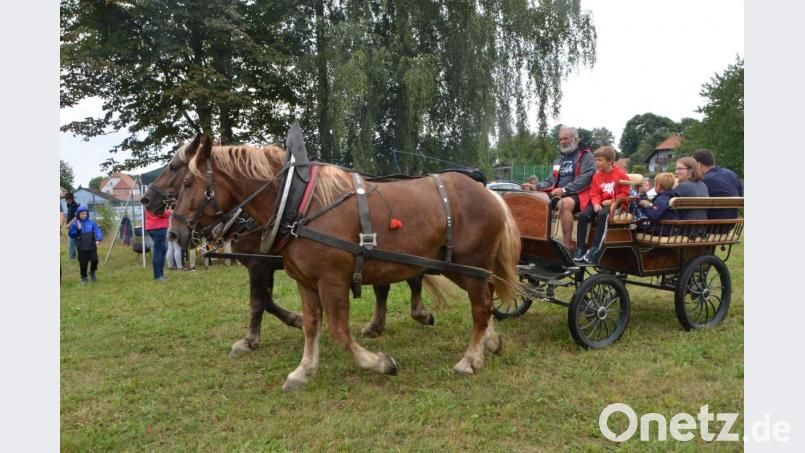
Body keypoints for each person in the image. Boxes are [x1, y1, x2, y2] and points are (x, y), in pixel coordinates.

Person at [535, 126, 595, 250]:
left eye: (566, 138)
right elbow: (551, 180)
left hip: (580, 193)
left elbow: (587, 177)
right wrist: (535, 187)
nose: (562, 142)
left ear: (575, 139)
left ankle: (567, 245)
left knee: (564, 204)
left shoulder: (586, 155)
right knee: (533, 199)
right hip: (558, 193)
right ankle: (538, 242)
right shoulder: (559, 159)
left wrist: (564, 190)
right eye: (561, 139)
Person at [573, 146, 630, 264]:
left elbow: (625, 194)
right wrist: (595, 204)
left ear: (610, 161)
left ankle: (595, 248)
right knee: (583, 216)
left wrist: (613, 201)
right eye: (596, 160)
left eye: (600, 160)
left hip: (618, 206)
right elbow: (594, 194)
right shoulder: (596, 176)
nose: (596, 163)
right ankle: (579, 248)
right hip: (600, 203)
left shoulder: (621, 175)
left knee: (603, 214)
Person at [691, 148, 743, 219]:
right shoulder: (731, 174)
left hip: (711, 225)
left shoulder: (703, 181)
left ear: (699, 164)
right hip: (732, 222)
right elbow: (740, 195)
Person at [67, 206, 103, 284]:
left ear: (87, 214)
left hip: (92, 245)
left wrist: (98, 239)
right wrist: (78, 229)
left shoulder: (91, 223)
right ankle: (84, 277)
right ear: (78, 214)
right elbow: (71, 235)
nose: (84, 215)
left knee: (95, 260)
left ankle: (92, 272)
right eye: (82, 214)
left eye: (85, 214)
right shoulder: (75, 224)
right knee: (83, 263)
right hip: (81, 247)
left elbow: (97, 230)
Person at [673, 156, 709, 221]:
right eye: (676, 169)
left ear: (691, 170)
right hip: (701, 228)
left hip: (684, 228)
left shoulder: (683, 186)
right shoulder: (703, 185)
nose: (677, 172)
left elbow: (668, 207)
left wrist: (672, 188)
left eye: (680, 169)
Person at [145, 208, 170, 281]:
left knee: (162, 250)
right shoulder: (156, 200)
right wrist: (169, 212)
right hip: (159, 227)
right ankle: (158, 276)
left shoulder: (148, 200)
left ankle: (160, 274)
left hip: (151, 226)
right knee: (158, 252)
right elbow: (161, 212)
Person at [63, 192, 81, 259]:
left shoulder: (76, 205)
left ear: (71, 199)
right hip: (70, 226)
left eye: (67, 199)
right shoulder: (69, 205)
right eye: (66, 200)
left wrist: (69, 224)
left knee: (71, 241)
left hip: (74, 226)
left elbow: (76, 216)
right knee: (75, 242)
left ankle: (72, 257)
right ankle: (79, 255)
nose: (66, 201)